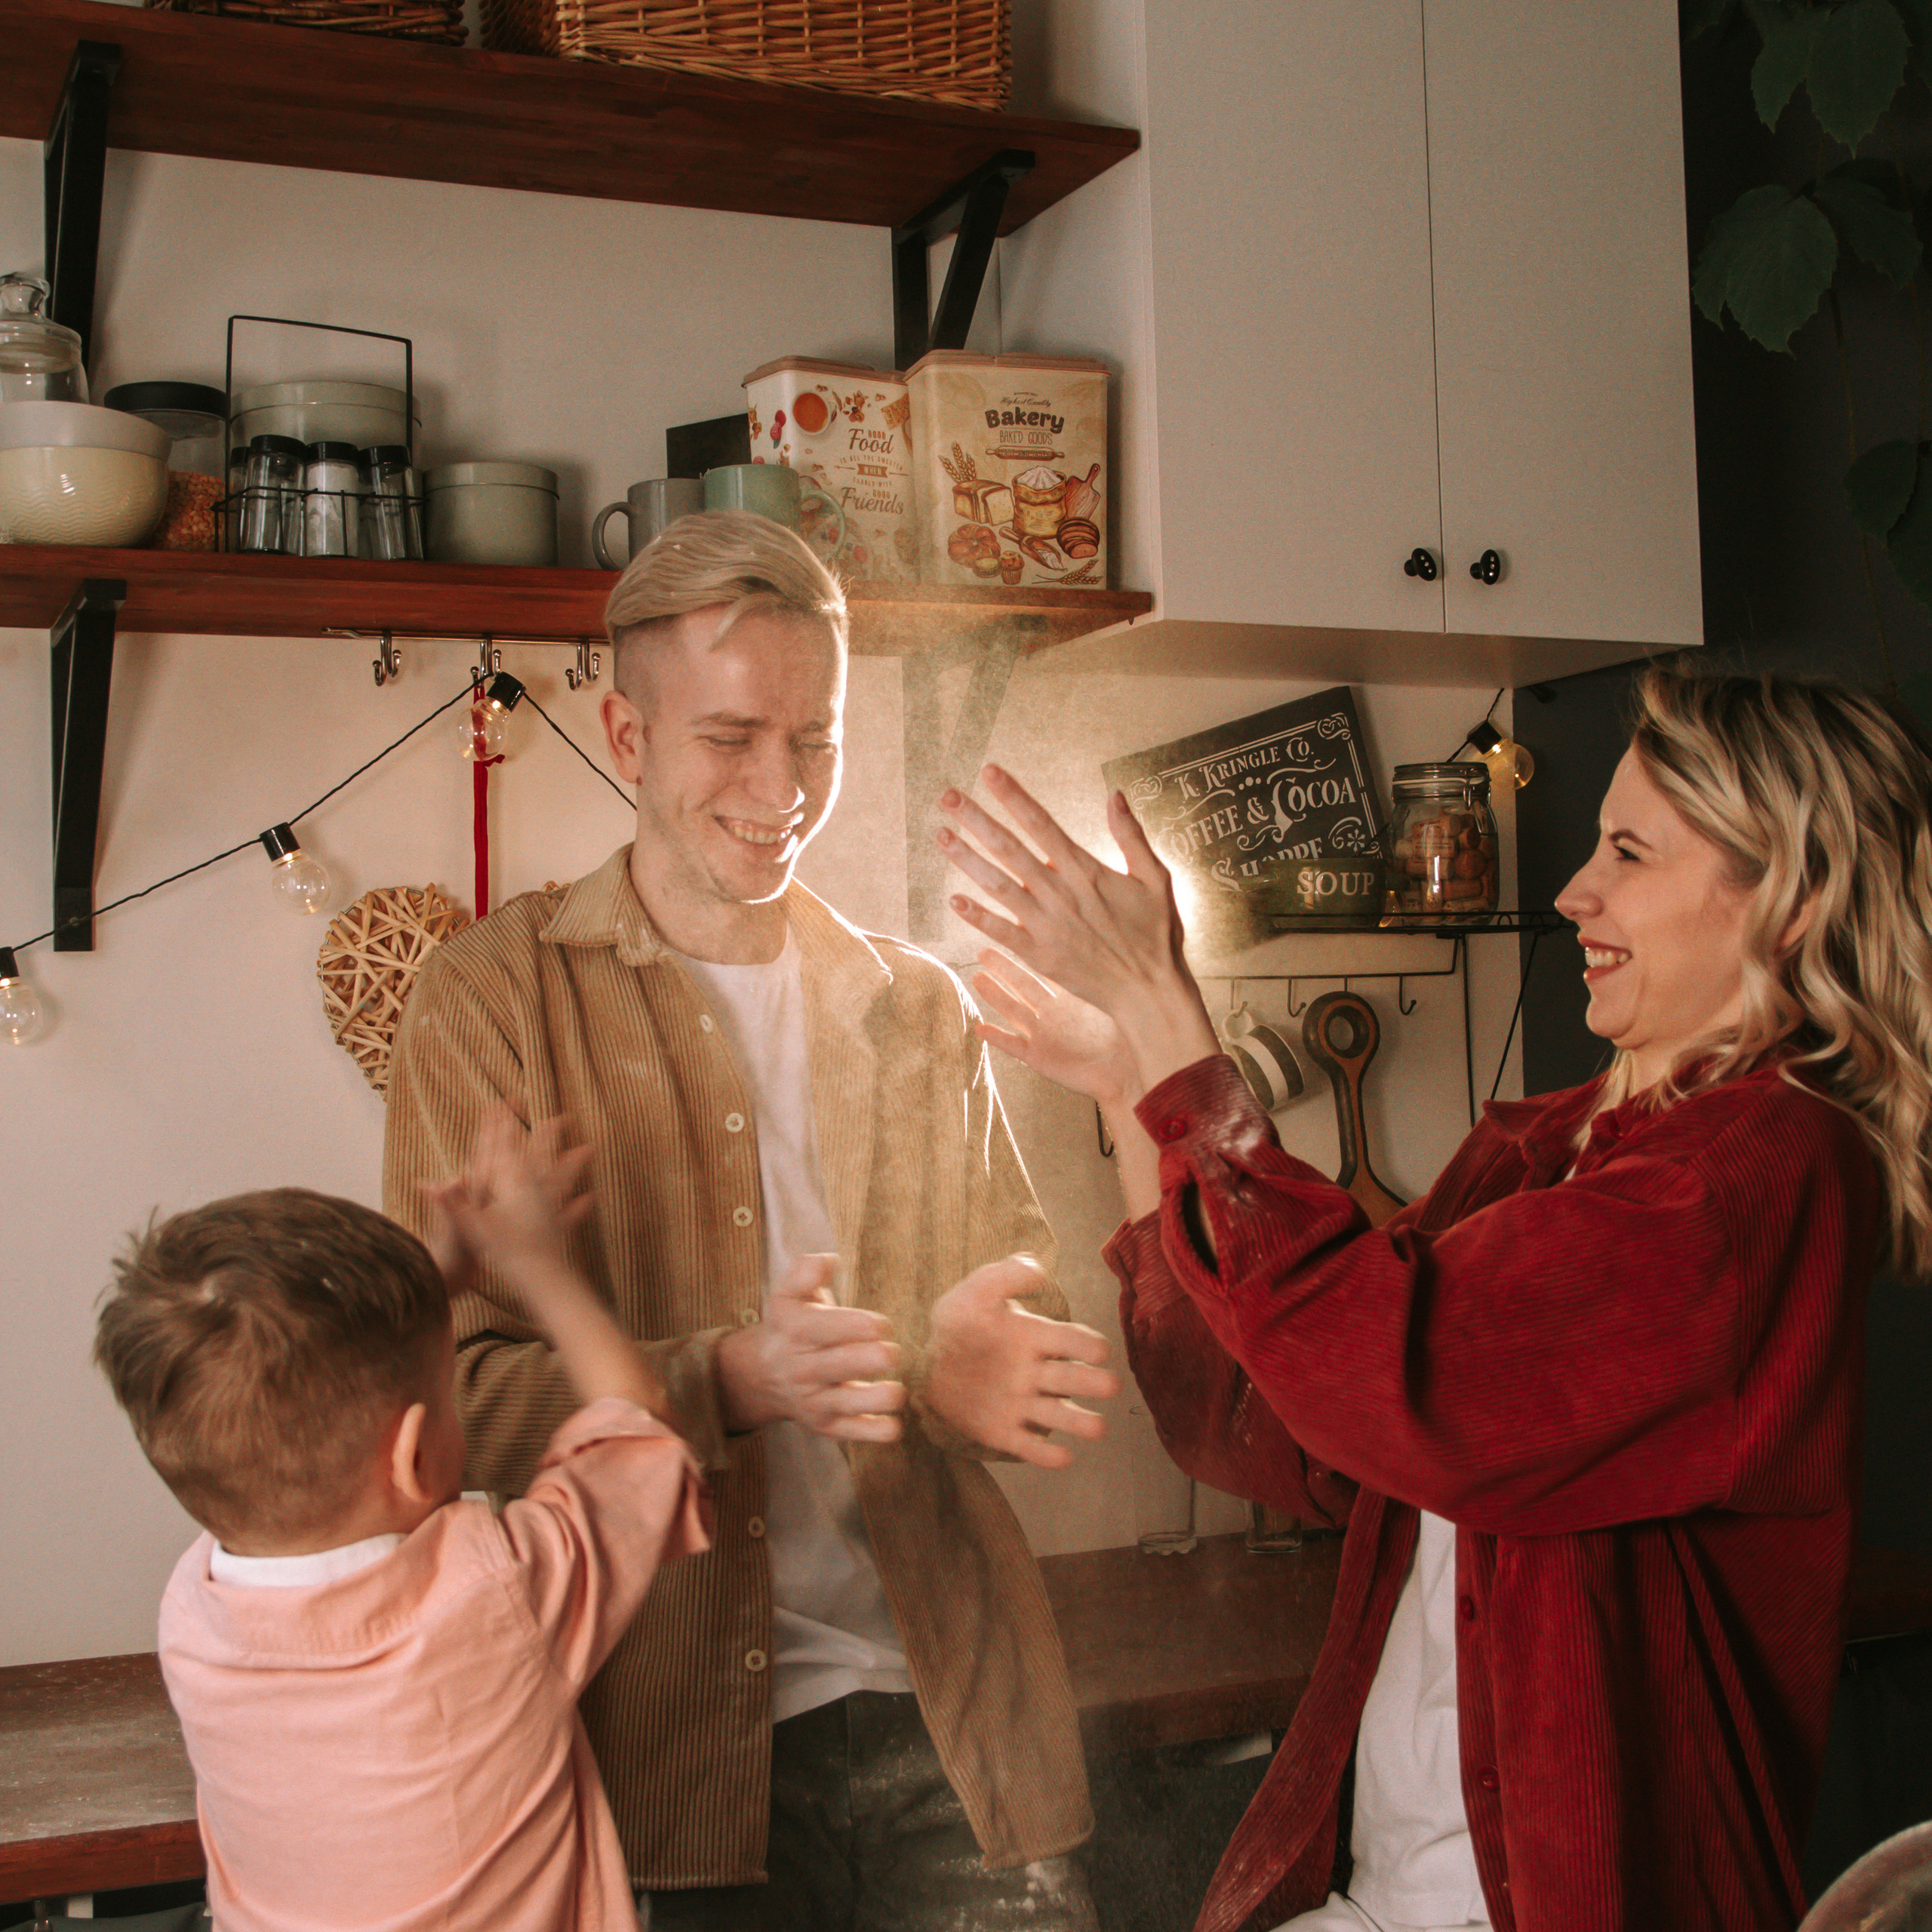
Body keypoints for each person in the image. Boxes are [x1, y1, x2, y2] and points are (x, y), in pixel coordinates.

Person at [935, 666, 1932, 1932]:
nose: (1577, 890)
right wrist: (1128, 1071)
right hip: (1394, 1896)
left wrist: (1167, 1020)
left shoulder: (1752, 1178)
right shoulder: (1547, 1149)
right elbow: (1276, 1419)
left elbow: (1402, 1385)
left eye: (1630, 853)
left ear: (1787, 904)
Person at [383, 509, 1116, 1930]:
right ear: (629, 733)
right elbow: (440, 1408)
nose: (782, 786)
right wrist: (728, 1378)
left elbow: (1025, 1323)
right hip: (659, 1760)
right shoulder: (490, 1001)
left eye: (816, 739)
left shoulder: (916, 1006)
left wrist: (980, 1375)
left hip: (950, 1728)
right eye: (730, 738)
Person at [92, 1115, 709, 1932]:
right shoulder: (495, 1594)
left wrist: (430, 1285)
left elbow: (286, 1381)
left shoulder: (192, 1612)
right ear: (415, 1455)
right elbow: (637, 1429)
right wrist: (537, 1265)